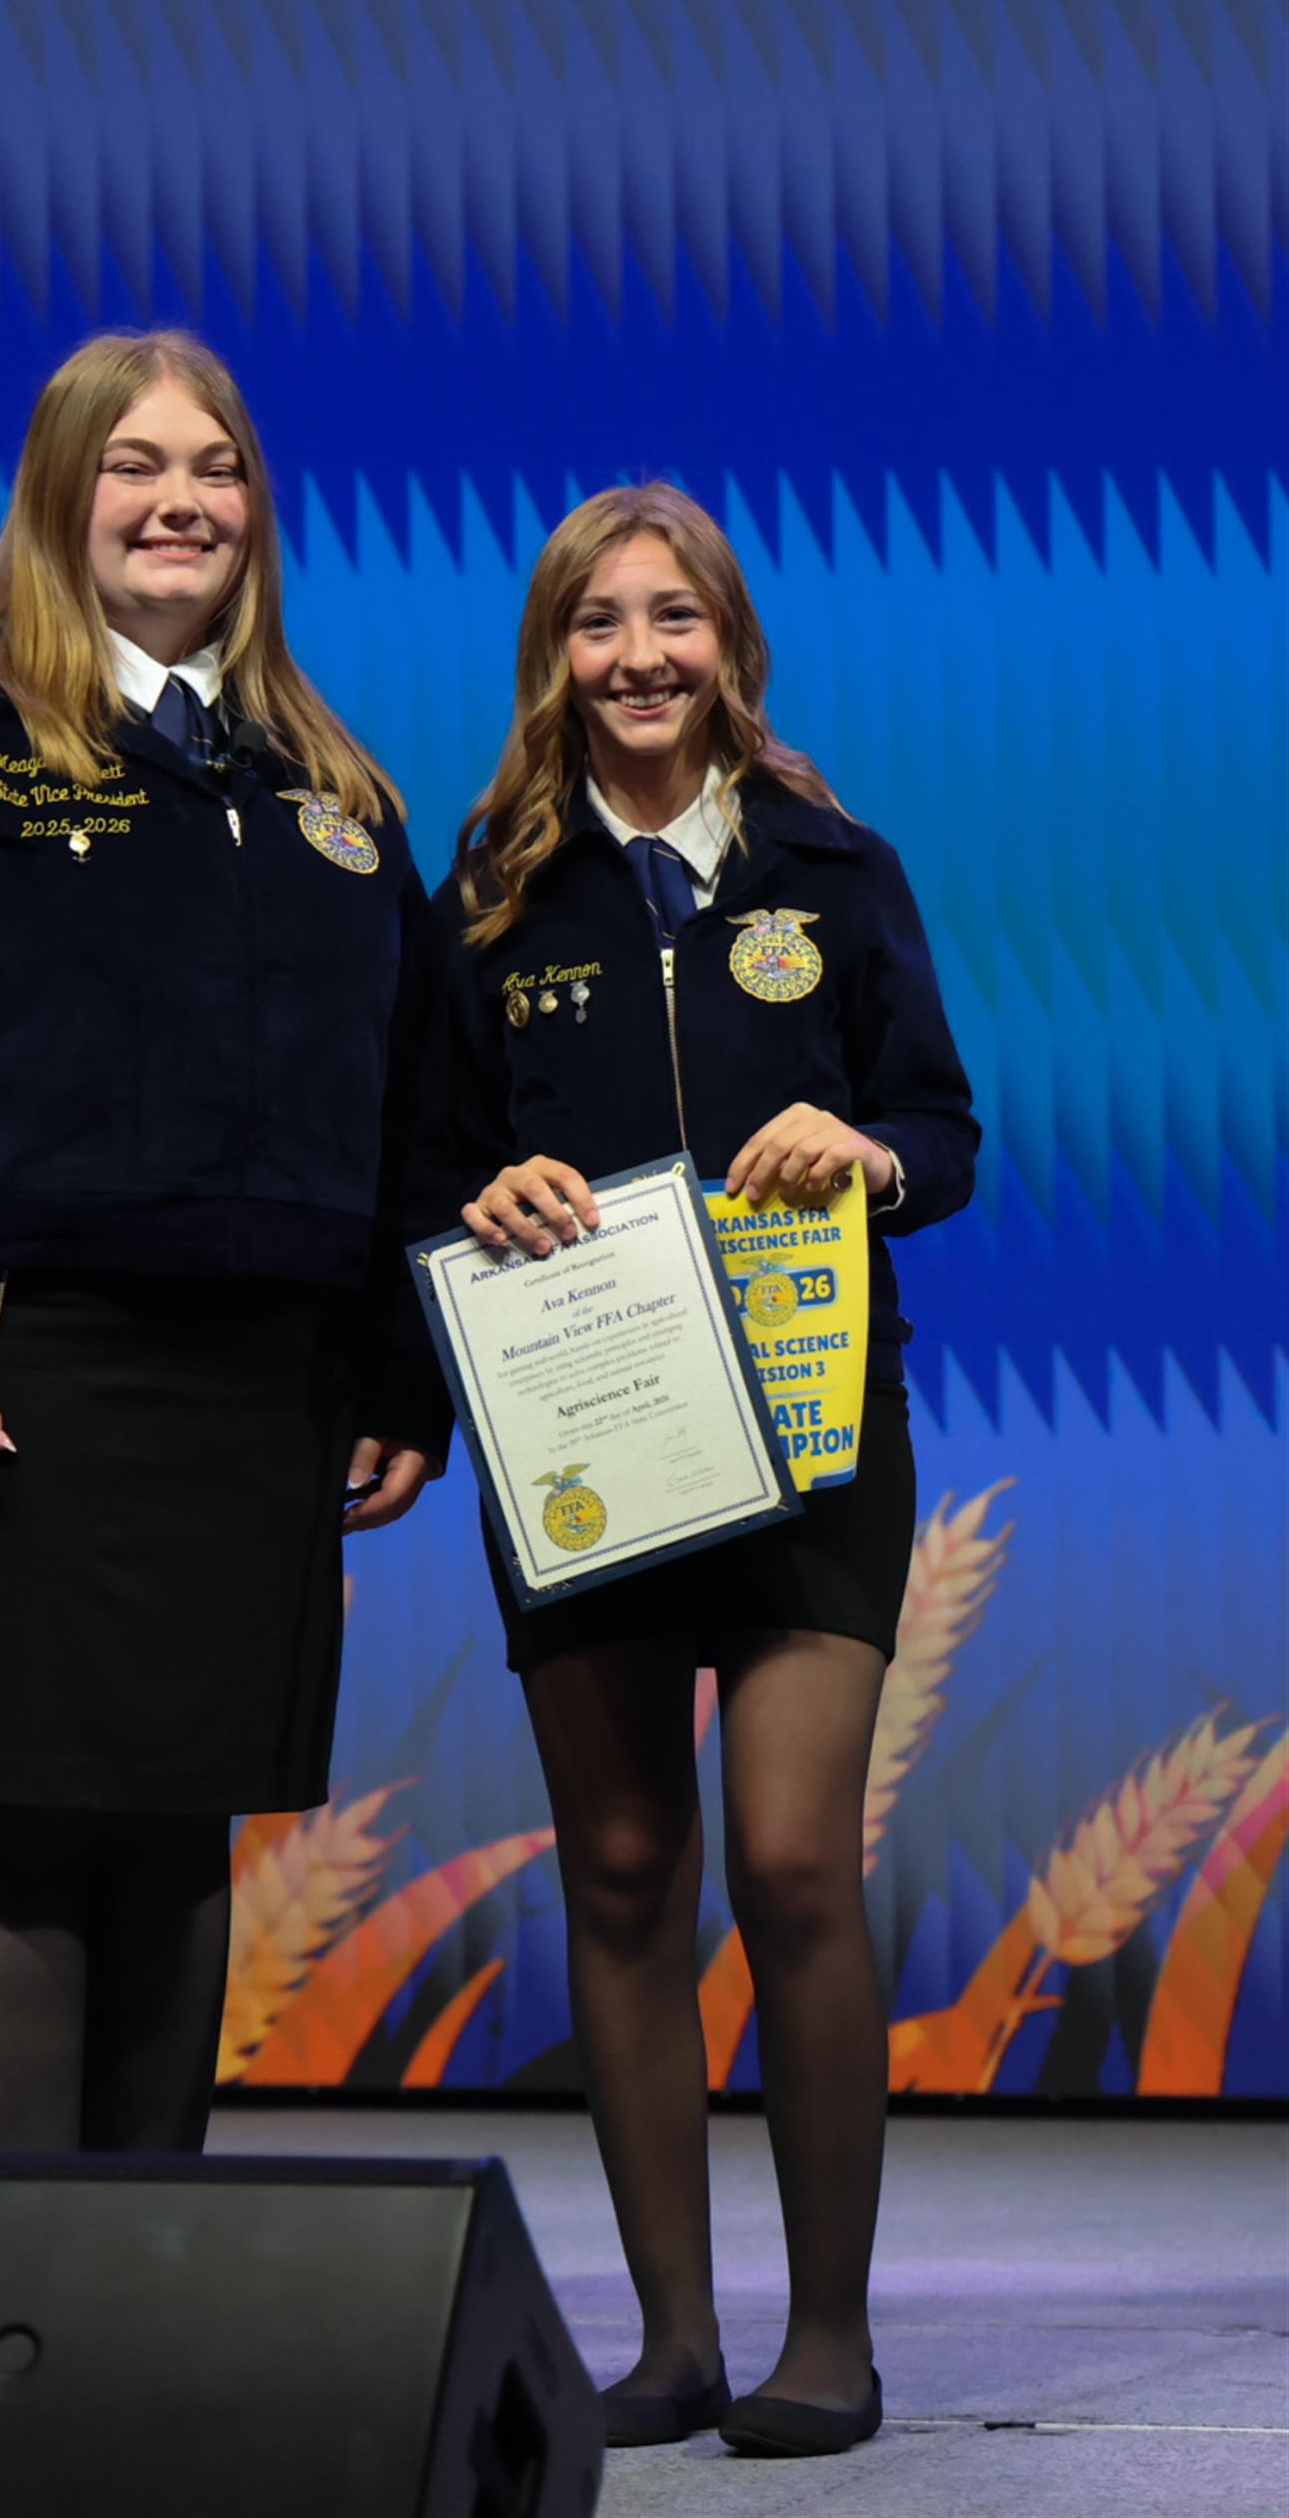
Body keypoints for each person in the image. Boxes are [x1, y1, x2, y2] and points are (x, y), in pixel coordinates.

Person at [0, 329, 446, 2161]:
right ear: (61, 495)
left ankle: (141, 2270)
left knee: (177, 1817)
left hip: (262, 1395)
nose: (178, 501)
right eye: (134, 464)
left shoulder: (334, 789)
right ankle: (21, 2282)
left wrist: (402, 1375)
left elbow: (414, 1109)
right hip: (11, 1373)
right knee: (9, 1814)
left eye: (214, 467)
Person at [434, 485, 977, 2457]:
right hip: (583, 1424)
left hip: (814, 1431)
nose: (637, 655)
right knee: (619, 1863)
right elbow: (423, 1155)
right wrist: (477, 1188)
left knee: (785, 1854)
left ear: (728, 645)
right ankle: (669, 2339)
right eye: (597, 623)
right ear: (552, 657)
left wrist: (869, 1152)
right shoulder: (492, 890)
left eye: (671, 617)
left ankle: (825, 2336)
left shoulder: (834, 868)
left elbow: (944, 1128)